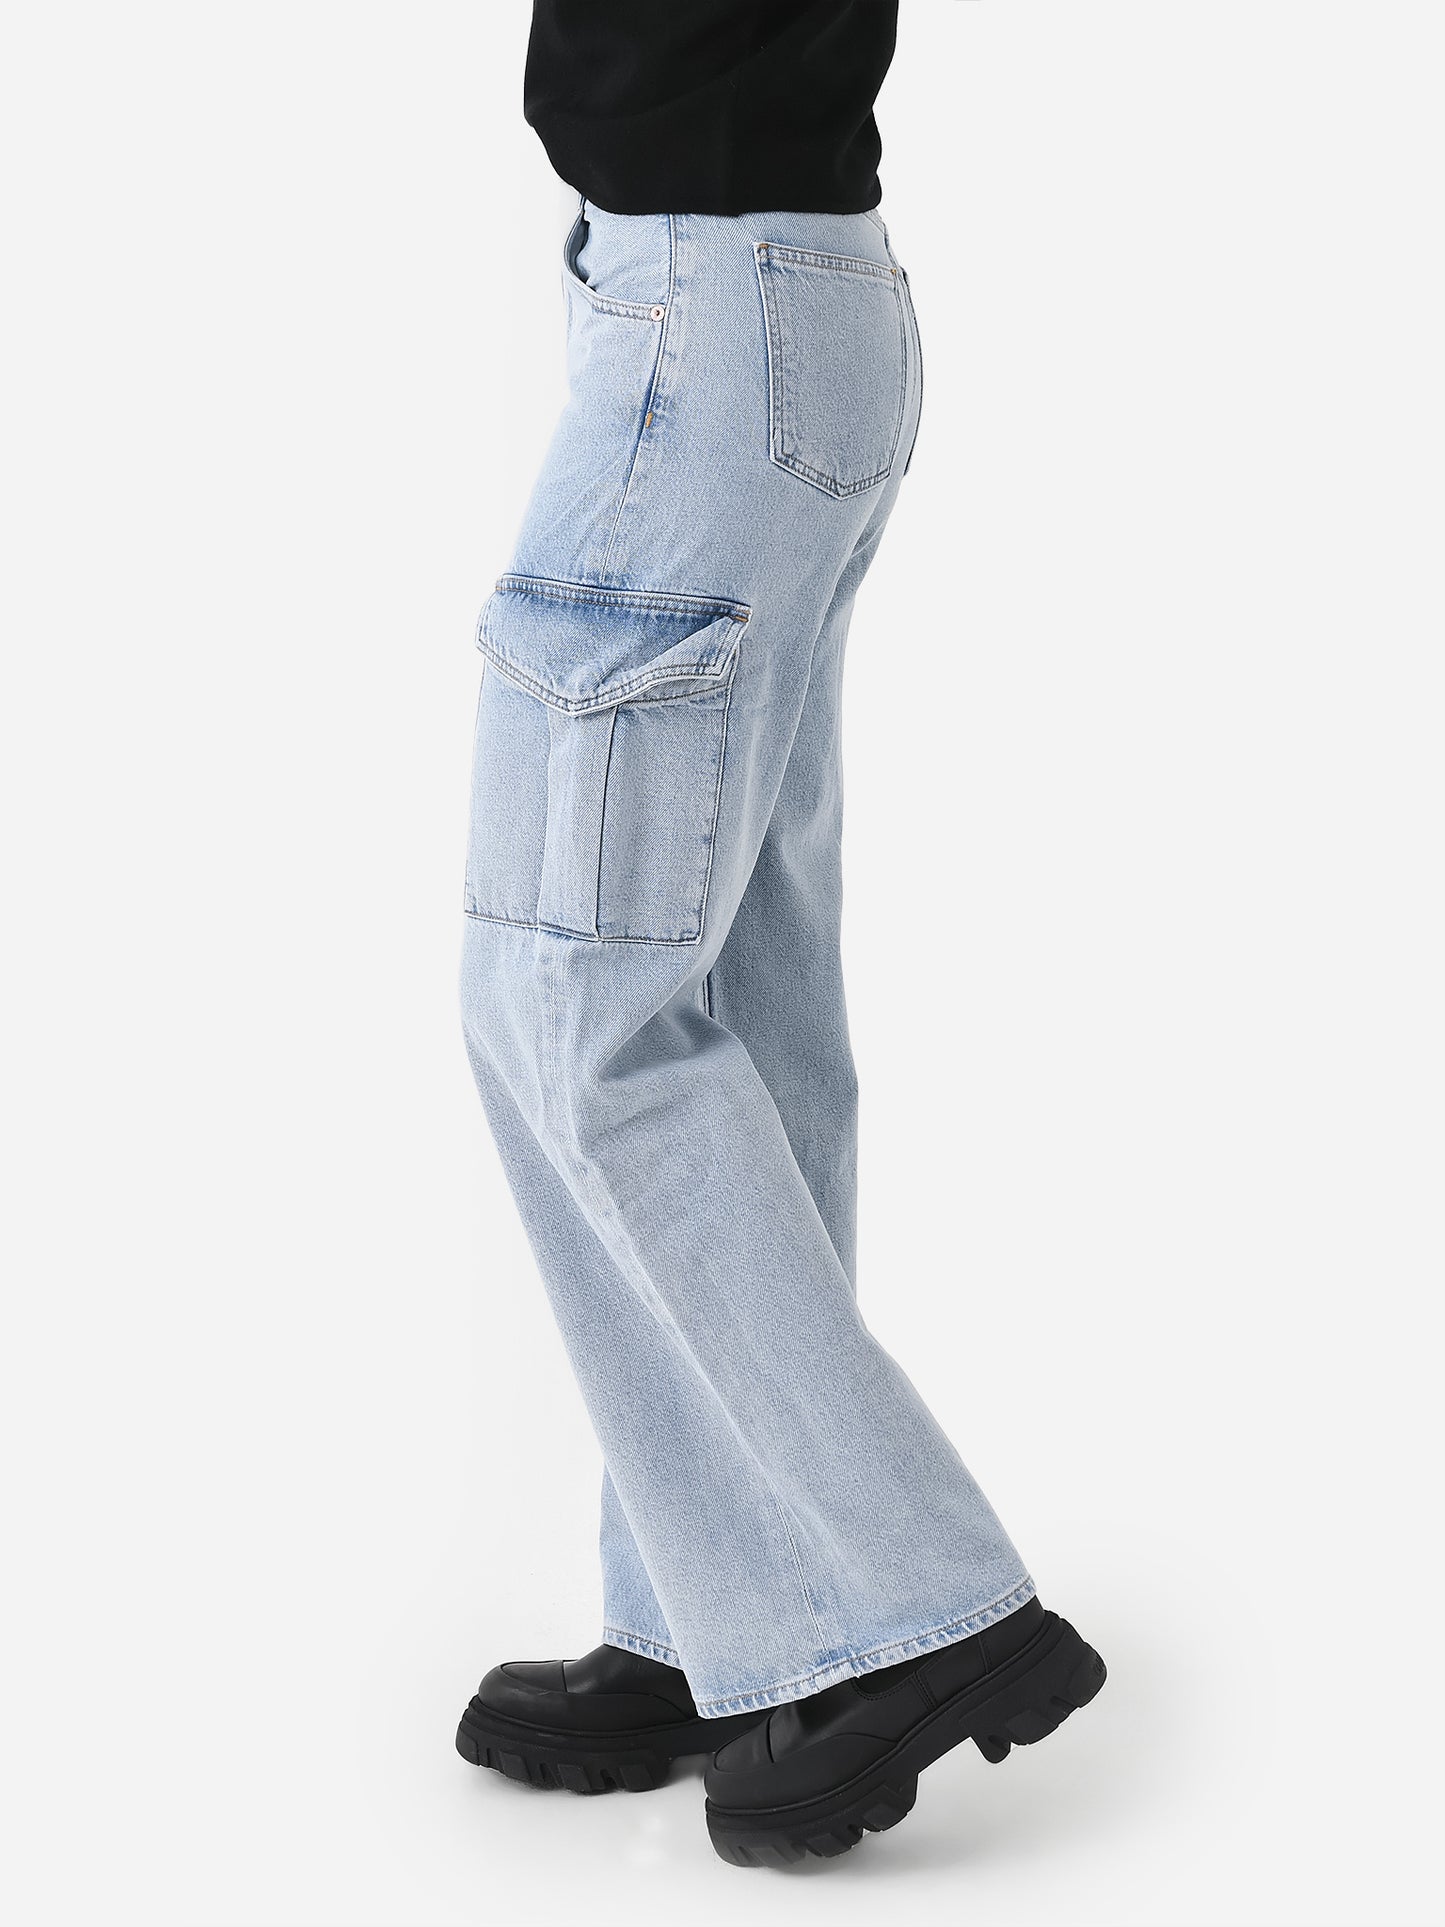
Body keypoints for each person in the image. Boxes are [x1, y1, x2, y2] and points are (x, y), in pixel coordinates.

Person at [454, 0, 1105, 1868]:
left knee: (573, 996)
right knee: (727, 982)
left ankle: (905, 1604)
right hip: (773, 300)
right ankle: (732, 1610)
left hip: (712, 309)